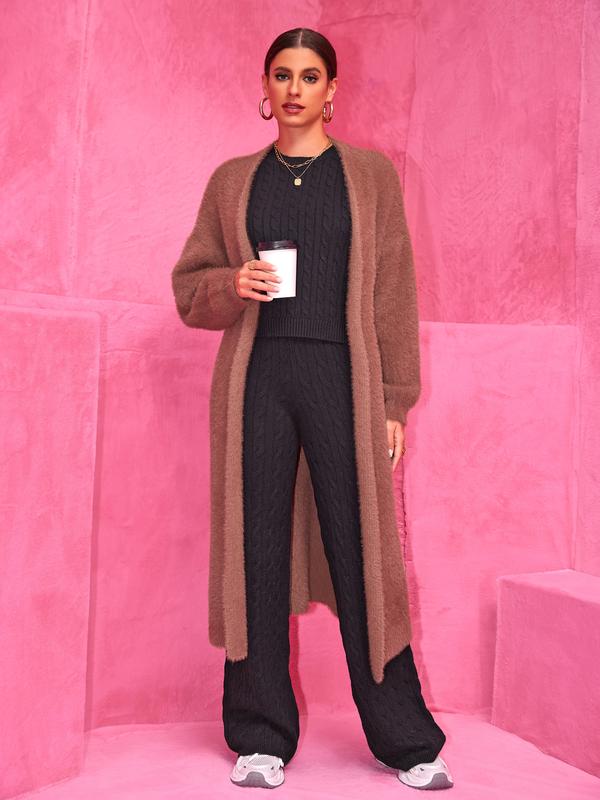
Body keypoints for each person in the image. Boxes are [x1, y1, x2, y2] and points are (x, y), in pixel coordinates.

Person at [171, 27, 454, 792]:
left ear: (332, 90)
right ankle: (260, 736)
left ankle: (406, 739)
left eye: (309, 76)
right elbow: (189, 289)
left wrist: (393, 401)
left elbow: (393, 291)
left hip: (343, 381)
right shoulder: (233, 181)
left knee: (364, 556)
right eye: (281, 75)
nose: (294, 88)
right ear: (265, 88)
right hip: (257, 381)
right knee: (256, 554)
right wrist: (232, 283)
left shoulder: (369, 177)